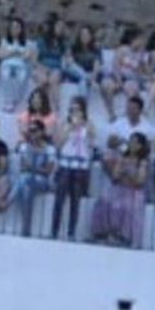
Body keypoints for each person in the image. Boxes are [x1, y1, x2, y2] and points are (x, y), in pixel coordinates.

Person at [90, 132, 150, 247]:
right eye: (130, 141)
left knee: (124, 205)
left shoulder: (142, 162)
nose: (131, 144)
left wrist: (128, 173)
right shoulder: (123, 158)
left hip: (134, 191)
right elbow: (114, 176)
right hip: (119, 187)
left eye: (134, 142)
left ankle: (122, 235)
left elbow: (140, 181)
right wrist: (120, 172)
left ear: (140, 146)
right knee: (103, 201)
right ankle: (103, 233)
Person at [50, 97, 96, 240]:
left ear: (83, 111)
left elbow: (91, 145)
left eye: (77, 109)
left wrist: (83, 129)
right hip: (65, 163)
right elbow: (58, 144)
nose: (74, 112)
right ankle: (54, 230)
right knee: (59, 198)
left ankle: (71, 231)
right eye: (71, 109)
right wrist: (69, 128)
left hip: (80, 165)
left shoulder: (89, 125)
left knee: (75, 199)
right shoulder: (63, 123)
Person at [9, 121, 57, 237]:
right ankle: (26, 228)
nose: (32, 133)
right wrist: (36, 168)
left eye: (34, 130)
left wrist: (32, 168)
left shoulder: (50, 149)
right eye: (30, 130)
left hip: (43, 181)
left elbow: (48, 171)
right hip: (29, 178)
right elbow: (23, 167)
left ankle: (6, 202)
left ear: (41, 132)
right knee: (26, 187)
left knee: (24, 180)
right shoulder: (24, 146)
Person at [98, 29, 147, 121]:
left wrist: (142, 59)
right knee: (107, 86)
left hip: (131, 80)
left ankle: (129, 115)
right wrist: (119, 81)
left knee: (131, 89)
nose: (141, 42)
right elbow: (115, 66)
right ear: (133, 39)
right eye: (140, 39)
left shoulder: (141, 53)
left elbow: (142, 72)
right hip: (117, 78)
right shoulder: (123, 49)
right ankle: (112, 114)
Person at [33, 16, 69, 111]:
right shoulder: (42, 40)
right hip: (42, 66)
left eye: (62, 26)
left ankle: (56, 108)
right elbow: (34, 59)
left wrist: (67, 61)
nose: (60, 28)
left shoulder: (64, 43)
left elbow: (67, 57)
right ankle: (36, 106)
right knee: (43, 80)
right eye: (58, 25)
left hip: (56, 68)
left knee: (53, 80)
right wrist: (41, 67)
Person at [63, 24, 101, 104]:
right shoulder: (73, 47)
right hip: (74, 73)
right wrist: (90, 79)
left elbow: (96, 65)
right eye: (82, 34)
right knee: (71, 66)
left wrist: (93, 78)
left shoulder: (96, 48)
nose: (85, 36)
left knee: (83, 81)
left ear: (91, 36)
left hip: (89, 74)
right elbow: (69, 61)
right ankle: (88, 79)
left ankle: (82, 106)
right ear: (79, 36)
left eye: (87, 34)